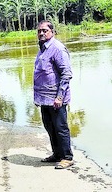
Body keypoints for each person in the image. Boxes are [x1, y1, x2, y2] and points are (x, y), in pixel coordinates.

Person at [33, 20, 74, 170]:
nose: (41, 33)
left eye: (45, 30)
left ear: (52, 32)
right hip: (44, 99)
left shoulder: (57, 48)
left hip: (56, 99)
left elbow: (66, 74)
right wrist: (37, 98)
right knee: (50, 127)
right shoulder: (43, 49)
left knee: (61, 128)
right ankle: (57, 154)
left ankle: (67, 157)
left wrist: (59, 97)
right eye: (39, 31)